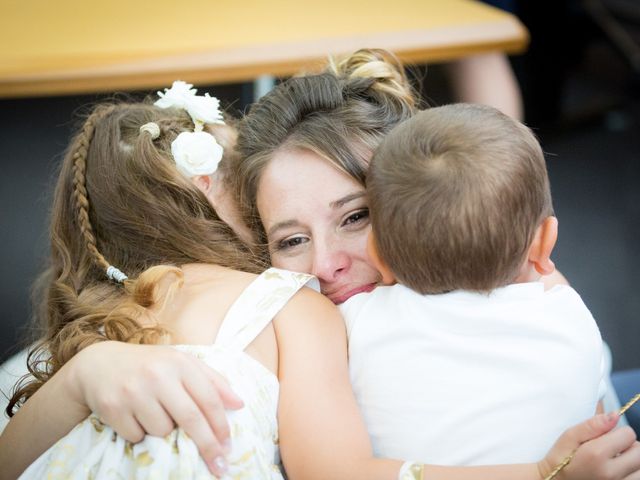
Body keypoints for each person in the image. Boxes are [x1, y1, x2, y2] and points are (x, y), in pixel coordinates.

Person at [2, 53, 639, 479]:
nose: (329, 265)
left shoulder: (519, 289)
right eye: (290, 240)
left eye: (356, 217)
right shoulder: (290, 321)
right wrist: (85, 374)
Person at [341, 103, 606, 465]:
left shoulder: (353, 323)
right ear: (545, 243)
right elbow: (597, 428)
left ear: (378, 258)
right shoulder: (572, 319)